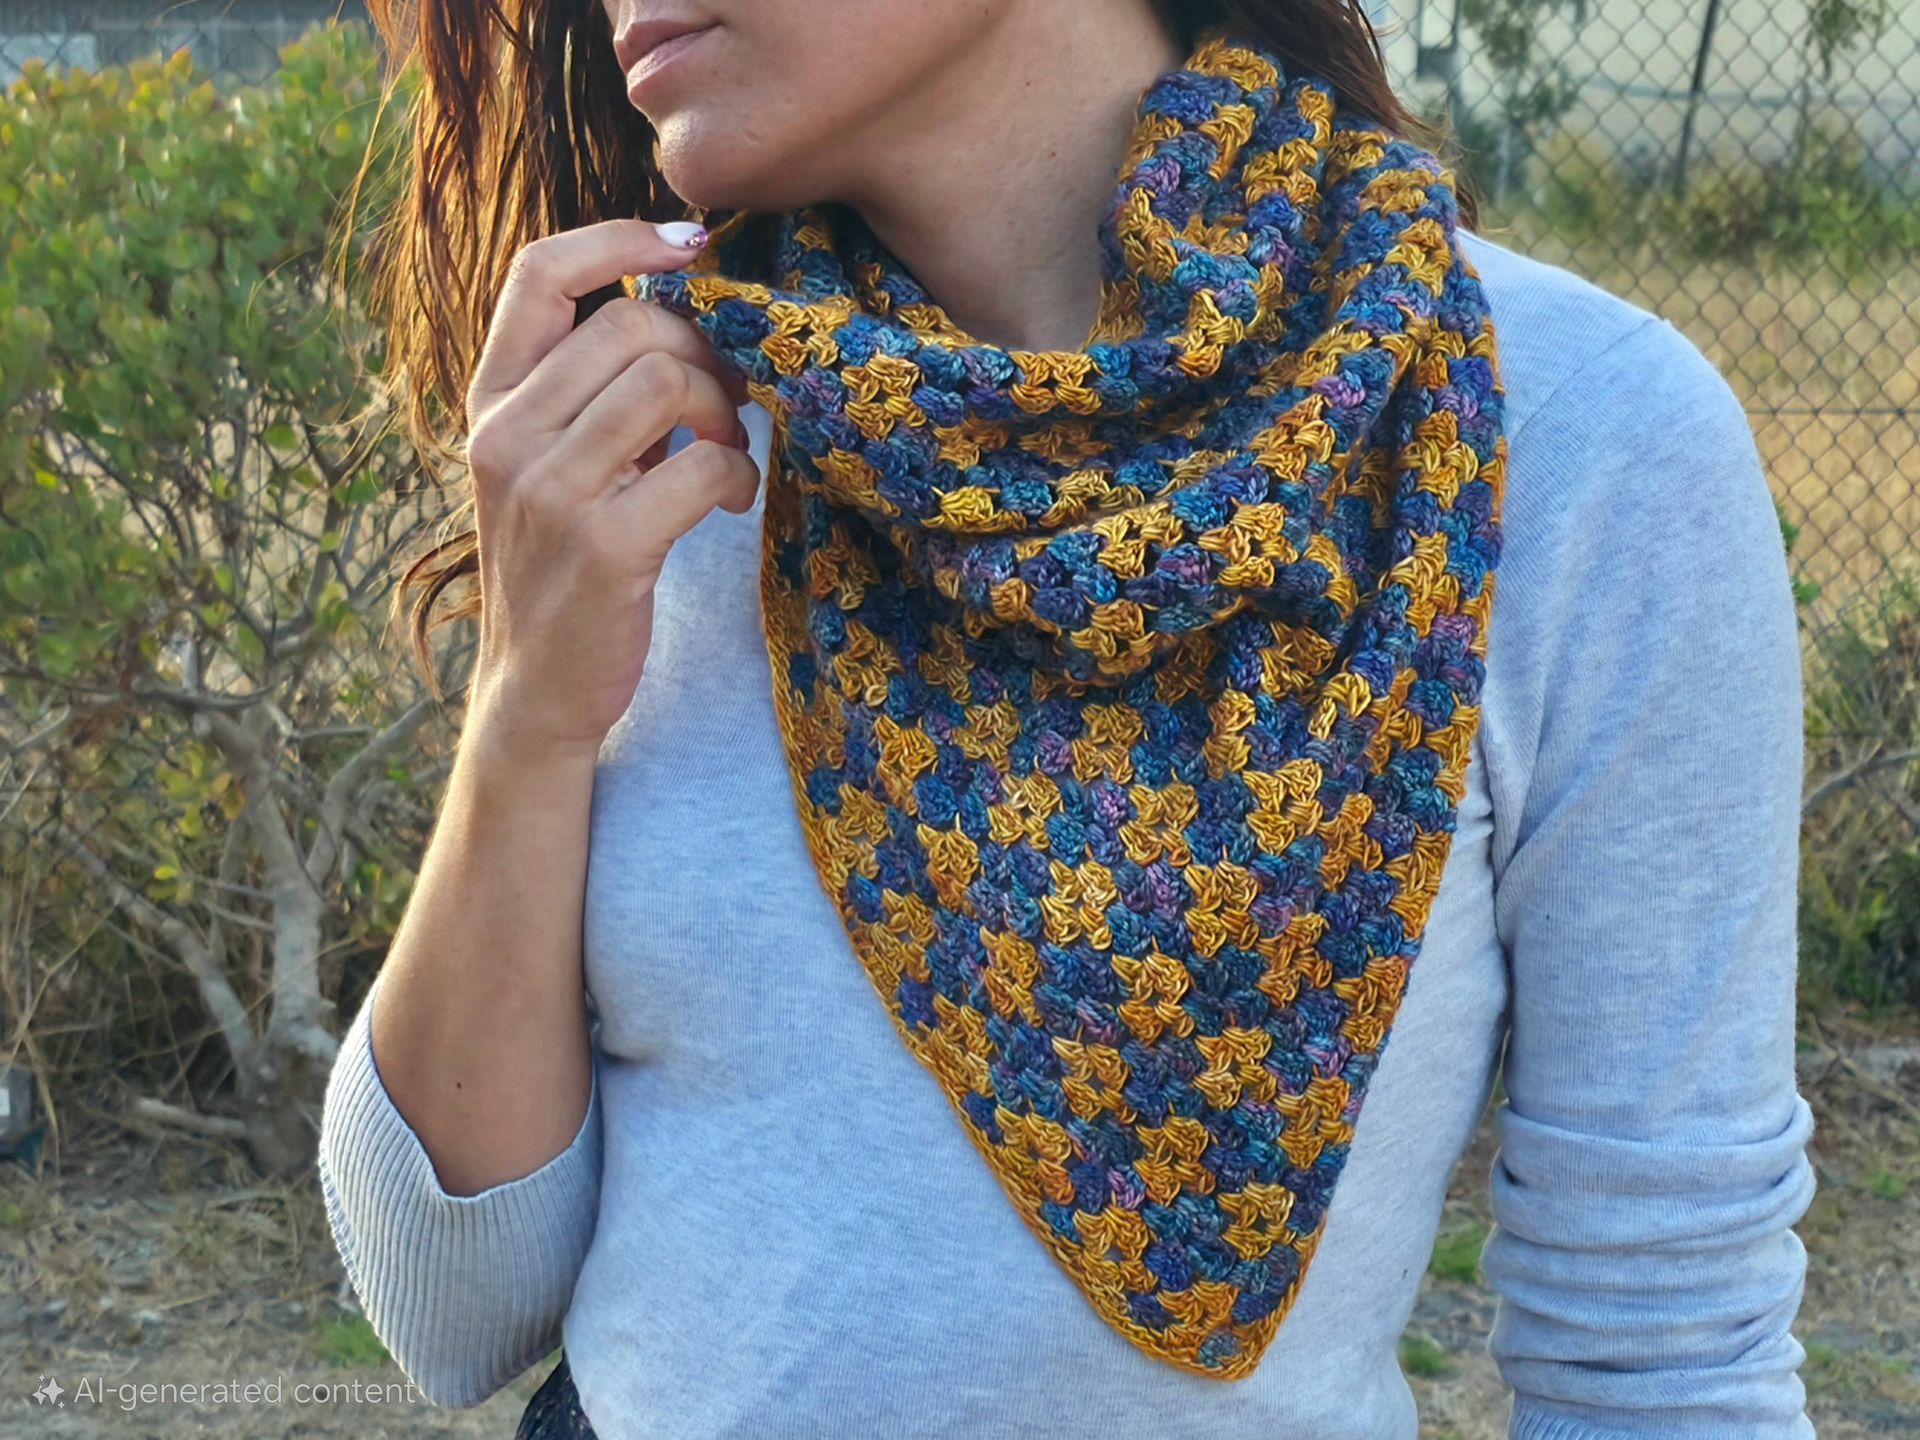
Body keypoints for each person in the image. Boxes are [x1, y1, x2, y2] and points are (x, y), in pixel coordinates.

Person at [317, 2, 1819, 1437]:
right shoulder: (657, 440)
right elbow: (450, 1317)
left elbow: (1665, 1353)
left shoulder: (1565, 441)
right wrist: (526, 710)